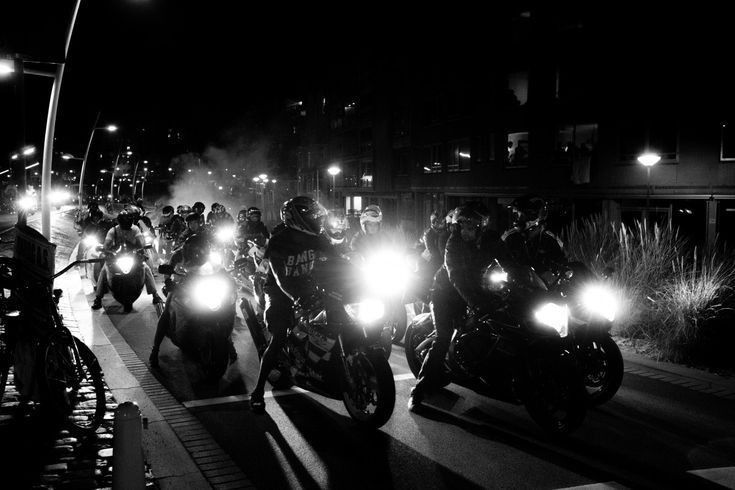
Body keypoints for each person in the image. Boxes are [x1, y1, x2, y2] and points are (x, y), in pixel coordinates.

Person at [407, 203, 509, 412]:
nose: (466, 231)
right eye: (462, 226)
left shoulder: (490, 240)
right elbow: (457, 278)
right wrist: (476, 303)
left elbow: (511, 261)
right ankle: (419, 389)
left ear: (481, 227)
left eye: (471, 227)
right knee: (443, 338)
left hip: (477, 291)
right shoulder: (453, 244)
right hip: (446, 294)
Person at [249, 196, 333, 414]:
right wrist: (298, 298)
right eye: (313, 217)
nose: (318, 221)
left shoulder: (317, 237)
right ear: (297, 218)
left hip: (308, 285)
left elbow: (338, 260)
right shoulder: (279, 240)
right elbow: (280, 278)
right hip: (279, 292)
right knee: (279, 336)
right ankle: (258, 392)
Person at [149, 233, 237, 368]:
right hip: (183, 289)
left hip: (209, 290)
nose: (199, 252)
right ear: (189, 249)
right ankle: (155, 349)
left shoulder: (212, 258)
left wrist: (231, 282)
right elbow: (168, 271)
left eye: (202, 248)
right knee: (167, 311)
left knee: (224, 311)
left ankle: (228, 343)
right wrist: (169, 282)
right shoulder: (178, 255)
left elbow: (223, 271)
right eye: (196, 249)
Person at [91, 210, 163, 311]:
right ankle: (98, 298)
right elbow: (107, 243)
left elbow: (141, 243)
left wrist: (142, 249)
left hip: (133, 256)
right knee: (105, 270)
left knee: (146, 268)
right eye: (123, 222)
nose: (125, 225)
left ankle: (155, 295)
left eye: (127, 222)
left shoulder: (135, 229)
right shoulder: (113, 231)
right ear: (119, 222)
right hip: (116, 257)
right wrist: (106, 250)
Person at [501, 195, 565, 276]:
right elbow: (499, 256)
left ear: (531, 215)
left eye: (520, 214)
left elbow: (560, 262)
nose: (517, 219)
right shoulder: (509, 237)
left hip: (541, 284)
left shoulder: (549, 238)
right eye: (516, 215)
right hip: (514, 282)